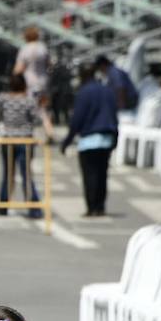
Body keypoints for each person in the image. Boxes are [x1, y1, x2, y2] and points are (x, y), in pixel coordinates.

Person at [62, 63, 119, 218]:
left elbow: (77, 119)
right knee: (102, 175)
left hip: (88, 141)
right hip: (106, 139)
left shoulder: (83, 93)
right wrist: (116, 137)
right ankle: (100, 207)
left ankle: (91, 207)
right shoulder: (108, 91)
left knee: (89, 176)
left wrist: (67, 141)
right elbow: (114, 115)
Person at [0, 73, 54, 218]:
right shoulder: (29, 101)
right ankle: (33, 206)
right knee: (26, 174)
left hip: (8, 140)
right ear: (24, 85)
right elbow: (36, 120)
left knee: (8, 174)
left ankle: (3, 205)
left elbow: (0, 116)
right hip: (25, 141)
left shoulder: (3, 99)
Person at [14, 26, 49, 101]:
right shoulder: (43, 48)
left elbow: (19, 69)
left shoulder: (25, 48)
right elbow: (48, 65)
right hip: (42, 82)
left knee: (28, 104)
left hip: (28, 82)